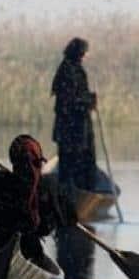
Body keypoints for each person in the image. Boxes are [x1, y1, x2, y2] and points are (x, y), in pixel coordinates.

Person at [50, 37, 99, 190]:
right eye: (84, 53)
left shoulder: (70, 68)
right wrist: (89, 101)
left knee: (76, 163)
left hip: (74, 129)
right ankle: (76, 192)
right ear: (78, 53)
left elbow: (75, 96)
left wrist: (89, 99)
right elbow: (69, 101)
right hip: (72, 130)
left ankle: (79, 191)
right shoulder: (69, 71)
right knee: (74, 164)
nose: (85, 56)